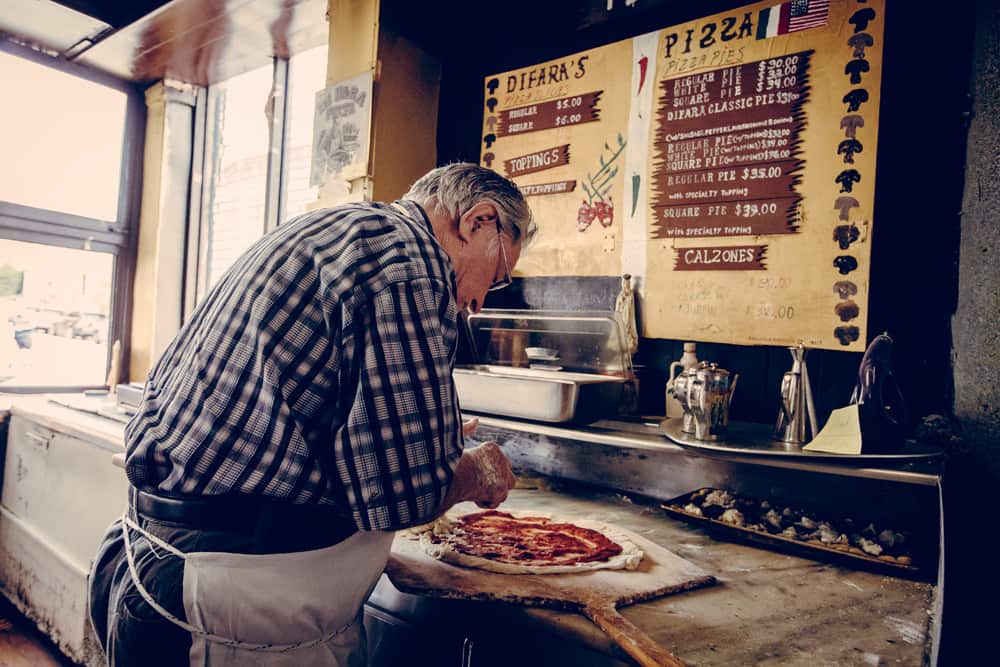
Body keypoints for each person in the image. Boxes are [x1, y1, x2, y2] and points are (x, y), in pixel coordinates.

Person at [88, 163, 534, 666]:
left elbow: (308, 402)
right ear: (478, 221)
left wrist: (432, 431)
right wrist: (477, 471)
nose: (476, 303)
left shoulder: (339, 229)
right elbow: (405, 494)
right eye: (496, 278)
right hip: (229, 589)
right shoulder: (409, 261)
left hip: (154, 551)